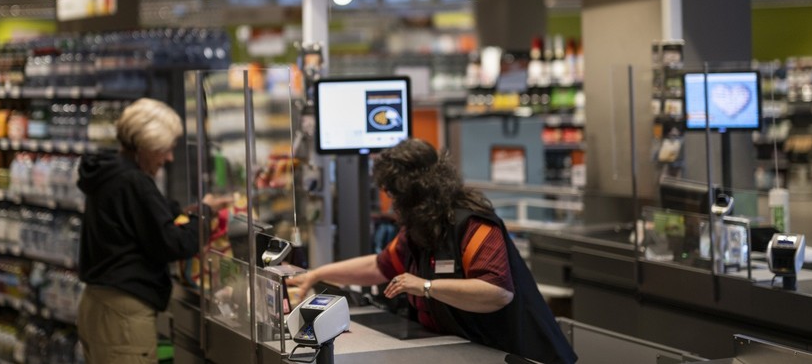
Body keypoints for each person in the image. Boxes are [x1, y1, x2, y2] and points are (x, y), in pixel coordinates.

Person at [289, 138, 577, 364]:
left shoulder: (473, 224)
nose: (392, 203)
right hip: (471, 351)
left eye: (395, 194)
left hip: (519, 356)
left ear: (417, 192)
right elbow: (379, 267)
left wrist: (426, 286)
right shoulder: (420, 228)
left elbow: (497, 292)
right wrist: (317, 274)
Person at [76, 97, 232, 363]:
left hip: (96, 306)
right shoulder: (133, 181)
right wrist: (204, 214)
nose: (170, 157)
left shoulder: (110, 173)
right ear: (146, 145)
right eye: (165, 149)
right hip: (122, 315)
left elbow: (153, 216)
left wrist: (191, 213)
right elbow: (172, 244)